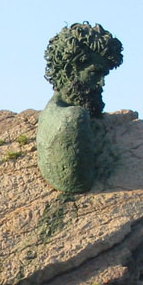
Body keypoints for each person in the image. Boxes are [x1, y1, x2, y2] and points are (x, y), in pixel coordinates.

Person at [36, 23, 123, 193]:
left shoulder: (50, 112)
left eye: (104, 75)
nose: (101, 83)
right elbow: (79, 183)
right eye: (94, 73)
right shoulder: (74, 118)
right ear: (69, 71)